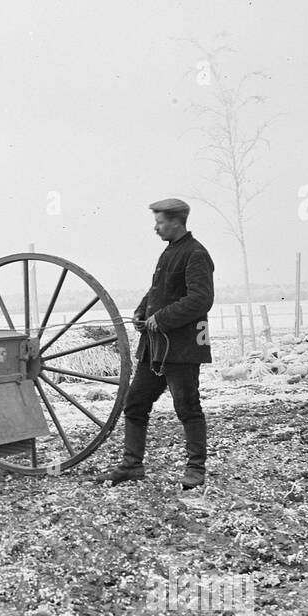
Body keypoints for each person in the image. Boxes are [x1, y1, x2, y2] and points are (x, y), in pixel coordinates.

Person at [94, 197, 214, 489]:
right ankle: (132, 465)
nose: (156, 228)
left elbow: (201, 299)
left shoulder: (196, 254)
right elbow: (157, 291)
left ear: (176, 222)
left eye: (160, 222)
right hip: (154, 350)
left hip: (182, 350)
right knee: (135, 404)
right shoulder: (168, 253)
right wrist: (141, 311)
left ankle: (195, 469)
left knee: (188, 407)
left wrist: (162, 318)